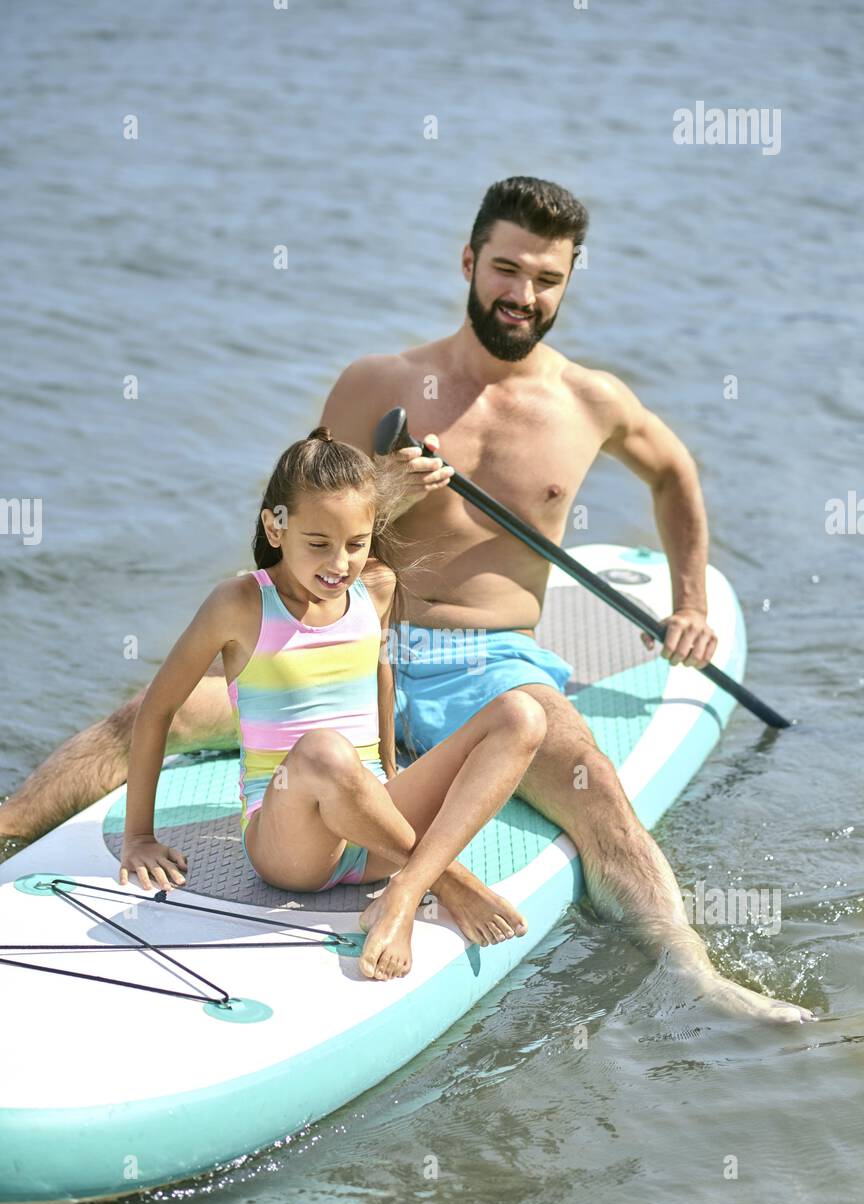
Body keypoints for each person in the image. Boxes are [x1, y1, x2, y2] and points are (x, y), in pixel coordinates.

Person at [0, 176, 814, 1023]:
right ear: (470, 260)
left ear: (570, 281)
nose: (522, 294)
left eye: (547, 278)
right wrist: (381, 489)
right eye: (506, 269)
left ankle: (694, 971)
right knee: (141, 717)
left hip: (487, 660)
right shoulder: (374, 385)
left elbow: (674, 473)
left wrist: (691, 602)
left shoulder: (589, 402)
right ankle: (10, 827)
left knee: (588, 776)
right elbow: (285, 528)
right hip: (344, 648)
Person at [118, 427, 546, 981]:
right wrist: (139, 838)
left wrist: (393, 777)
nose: (339, 562)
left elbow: (380, 676)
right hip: (293, 847)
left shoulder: (378, 587)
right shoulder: (240, 603)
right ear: (277, 526)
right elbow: (156, 711)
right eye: (318, 543)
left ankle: (404, 893)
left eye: (356, 543)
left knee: (522, 713)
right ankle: (449, 879)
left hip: (377, 831)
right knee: (323, 751)